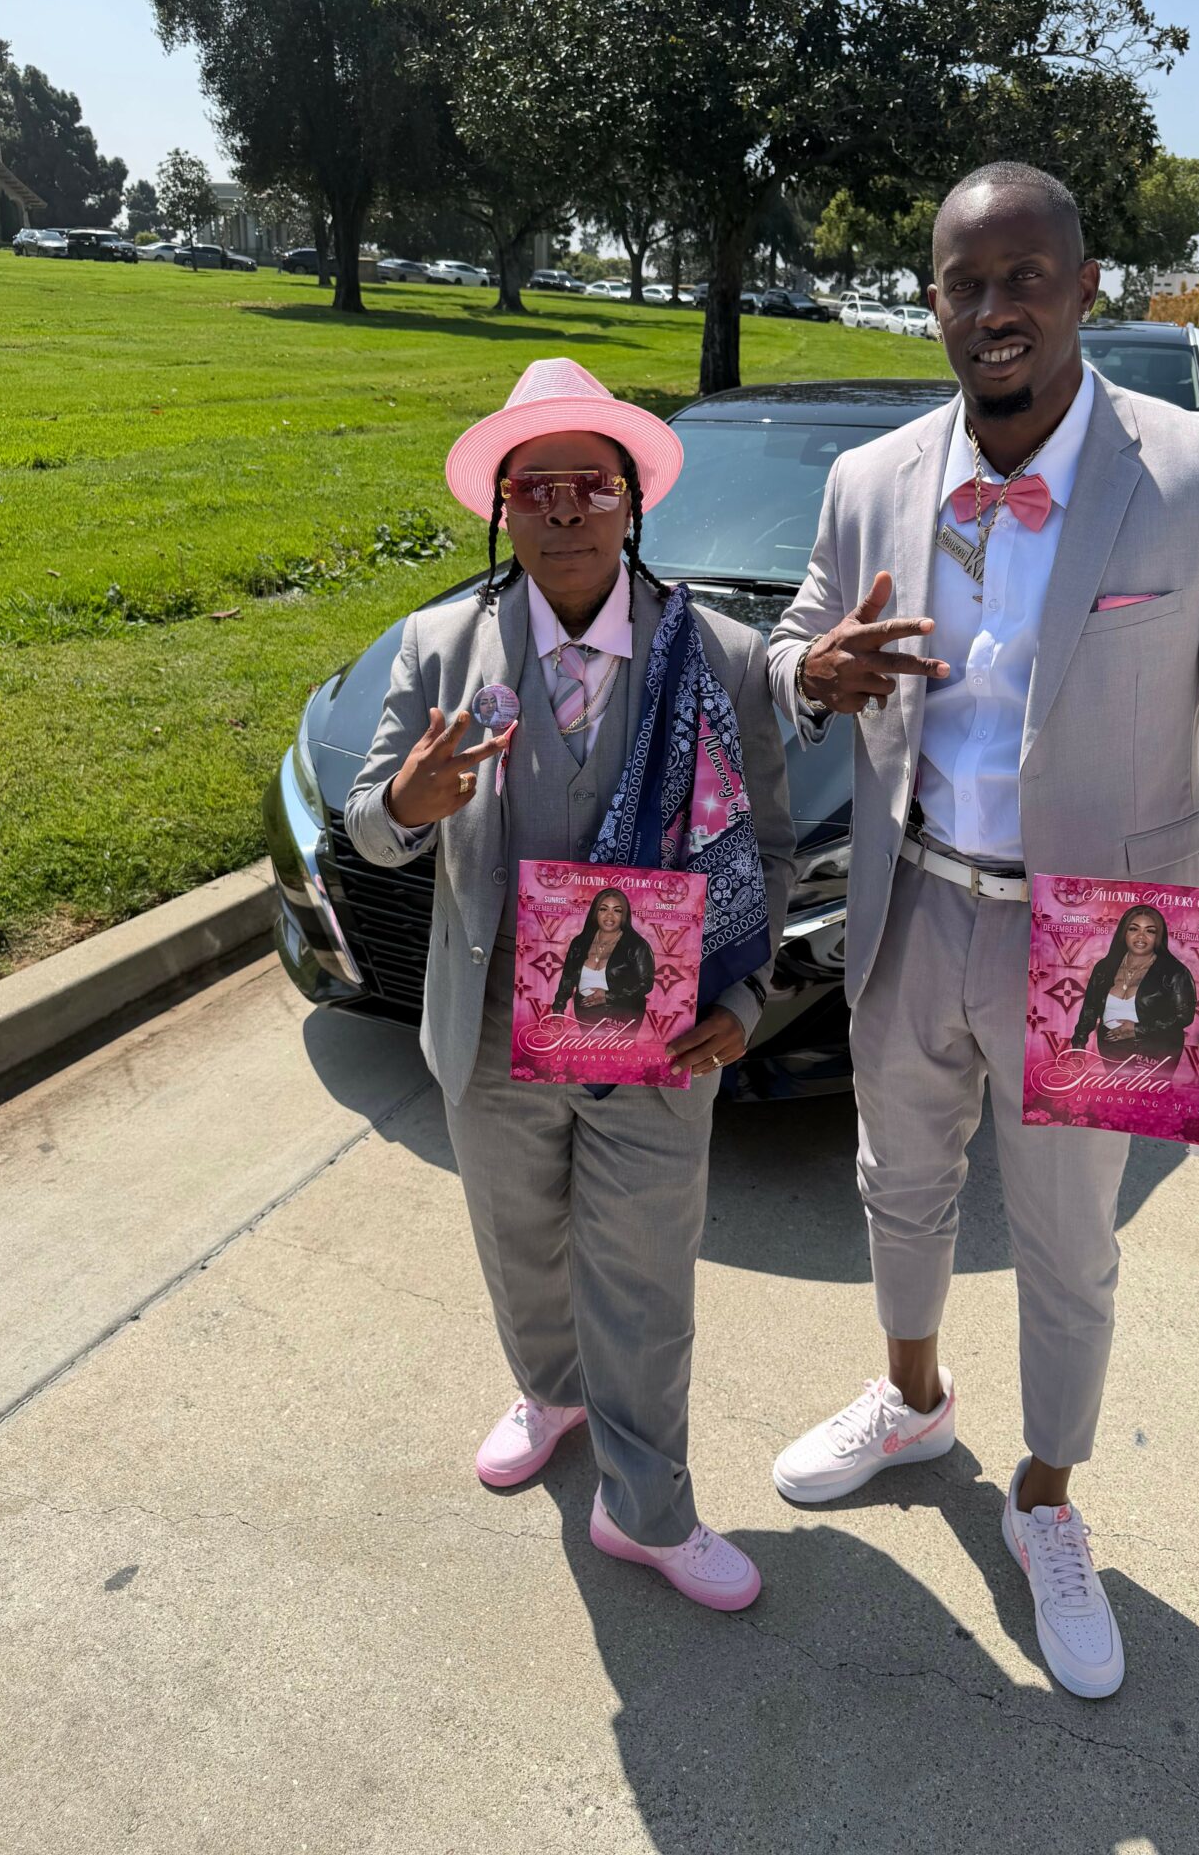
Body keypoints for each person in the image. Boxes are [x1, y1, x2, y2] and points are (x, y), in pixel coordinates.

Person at [766, 162, 1199, 1698]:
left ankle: (1046, 1501)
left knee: (1071, 1244)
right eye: (965, 281)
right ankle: (912, 1401)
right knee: (897, 1180)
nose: (996, 306)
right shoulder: (871, 478)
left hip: (1117, 940)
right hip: (908, 901)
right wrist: (807, 671)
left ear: (1087, 288)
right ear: (934, 302)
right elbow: (794, 639)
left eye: (1028, 275)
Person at [345, 358, 794, 1612]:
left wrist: (745, 1001)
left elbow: (768, 842)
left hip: (655, 1029)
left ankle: (647, 1508)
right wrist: (405, 802)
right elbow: (365, 827)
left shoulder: (718, 653)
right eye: (532, 485)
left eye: (586, 484)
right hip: (489, 1021)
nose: (561, 509)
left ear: (630, 501)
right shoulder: (440, 649)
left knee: (645, 1269)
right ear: (502, 506)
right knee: (520, 1240)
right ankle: (549, 1392)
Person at [1071, 905, 1196, 1069]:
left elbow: (1184, 1016)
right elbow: (1090, 1007)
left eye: (1150, 931)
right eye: (1133, 929)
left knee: (1147, 1094)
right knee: (1116, 1093)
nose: (1141, 936)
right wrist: (1079, 1043)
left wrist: (1138, 1029)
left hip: (1155, 1049)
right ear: (1124, 933)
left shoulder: (1175, 972)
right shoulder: (1104, 968)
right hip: (1111, 1048)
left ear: (1158, 936)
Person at [552, 887, 655, 1030]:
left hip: (622, 1013)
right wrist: (558, 1008)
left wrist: (608, 996)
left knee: (616, 1052)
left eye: (617, 910)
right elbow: (567, 978)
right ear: (595, 912)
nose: (609, 916)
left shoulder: (637, 945)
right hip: (585, 1011)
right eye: (603, 909)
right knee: (590, 1051)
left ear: (624, 915)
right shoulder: (579, 943)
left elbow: (646, 983)